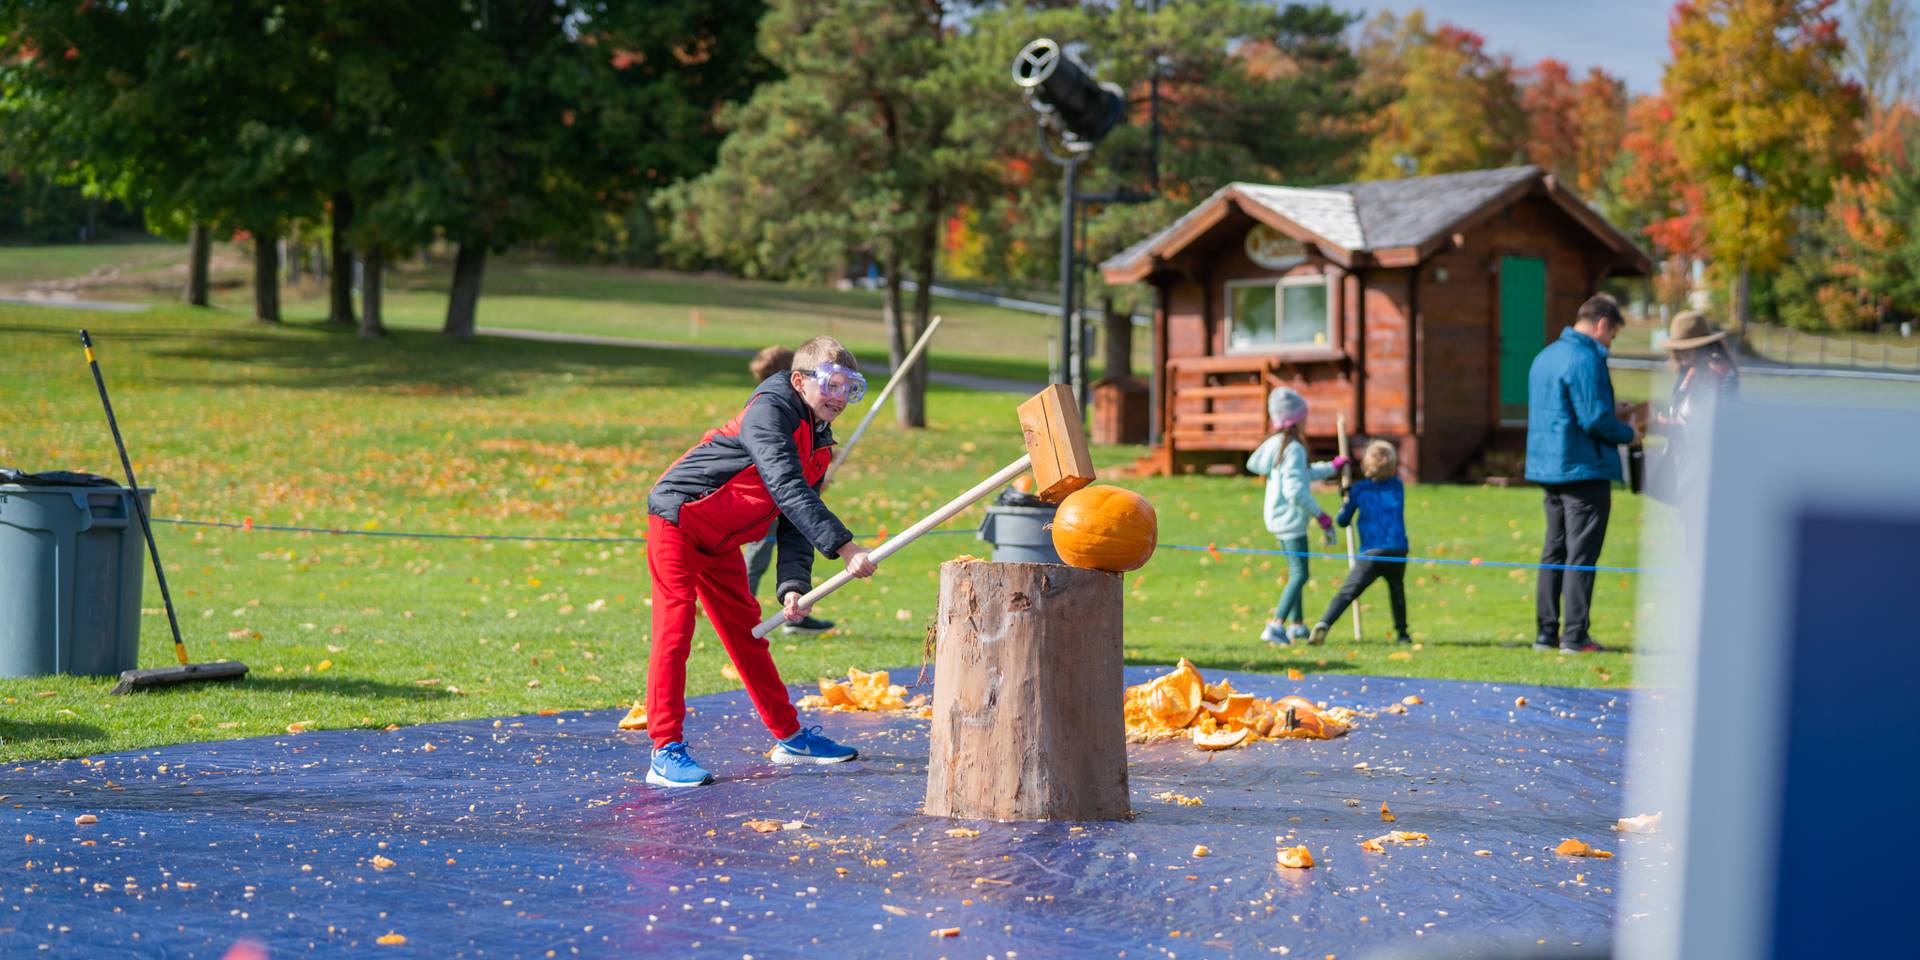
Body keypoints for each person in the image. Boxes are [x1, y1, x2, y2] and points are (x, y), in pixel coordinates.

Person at [642, 336, 877, 787]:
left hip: (721, 542)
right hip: (680, 519)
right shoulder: (770, 412)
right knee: (675, 633)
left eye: (851, 388)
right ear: (799, 380)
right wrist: (846, 547)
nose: (840, 397)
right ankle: (664, 750)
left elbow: (794, 518)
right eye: (831, 384)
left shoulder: (820, 443)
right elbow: (786, 485)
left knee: (749, 635)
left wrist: (793, 586)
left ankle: (790, 738)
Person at [1524, 293, 1644, 654]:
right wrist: (1630, 433)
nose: (1610, 344)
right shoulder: (1586, 359)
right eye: (1613, 336)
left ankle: (1546, 634)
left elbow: (1566, 410)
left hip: (1550, 467)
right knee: (1582, 555)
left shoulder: (1546, 356)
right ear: (1602, 324)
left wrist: (1611, 409)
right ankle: (1575, 636)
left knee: (1554, 552)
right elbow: (1592, 419)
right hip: (1583, 469)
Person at [739, 346, 837, 636]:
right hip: (764, 497)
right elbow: (775, 462)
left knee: (790, 547)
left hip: (787, 496)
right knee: (756, 557)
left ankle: (795, 613)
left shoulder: (805, 414)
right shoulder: (768, 409)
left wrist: (814, 471)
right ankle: (741, 611)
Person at [1248, 387, 1346, 645]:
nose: (1307, 420)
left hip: (1278, 519)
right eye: (1304, 416)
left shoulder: (1280, 446)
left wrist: (1331, 468)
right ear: (1295, 419)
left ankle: (1298, 625)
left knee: (1296, 571)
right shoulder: (1293, 449)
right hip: (1290, 521)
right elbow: (1295, 491)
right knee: (1300, 574)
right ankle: (1275, 625)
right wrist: (1320, 516)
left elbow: (1301, 475)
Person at [1309, 439, 1412, 646]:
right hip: (1397, 550)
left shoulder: (1360, 490)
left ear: (1366, 465)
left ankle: (1324, 623)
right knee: (1397, 591)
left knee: (1348, 592)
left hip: (1371, 553)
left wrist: (1347, 500)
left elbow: (1342, 520)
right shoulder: (1398, 486)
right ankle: (1402, 634)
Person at [1648, 310, 1739, 510]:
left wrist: (1669, 427)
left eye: (1686, 349)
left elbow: (1714, 426)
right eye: (1677, 349)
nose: (1679, 354)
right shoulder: (1688, 372)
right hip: (1686, 469)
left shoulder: (1717, 374)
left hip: (1706, 472)